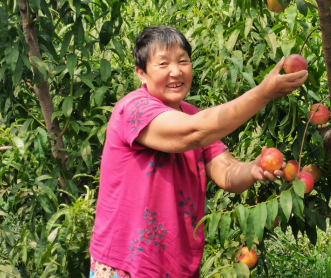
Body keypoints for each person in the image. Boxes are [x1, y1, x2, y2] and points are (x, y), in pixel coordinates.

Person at [89, 25, 308, 278]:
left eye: (183, 61)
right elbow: (193, 133)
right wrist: (263, 93)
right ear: (141, 73)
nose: (176, 71)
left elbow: (226, 172)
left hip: (178, 266)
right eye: (163, 64)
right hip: (126, 265)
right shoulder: (134, 109)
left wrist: (254, 168)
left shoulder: (192, 114)